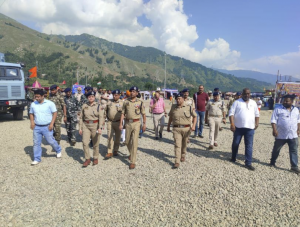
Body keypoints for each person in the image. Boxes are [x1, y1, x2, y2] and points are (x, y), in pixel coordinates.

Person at [229, 88, 260, 171]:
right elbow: (231, 114)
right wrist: (232, 124)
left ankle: (248, 163)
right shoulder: (237, 102)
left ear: (250, 94)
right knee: (235, 143)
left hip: (250, 128)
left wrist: (257, 123)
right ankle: (233, 157)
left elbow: (257, 114)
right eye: (245, 93)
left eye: (248, 94)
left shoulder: (253, 103)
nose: (247, 95)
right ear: (242, 94)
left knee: (249, 145)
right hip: (238, 128)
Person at [29, 89, 62, 165]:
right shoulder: (33, 104)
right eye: (35, 96)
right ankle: (37, 158)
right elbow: (31, 113)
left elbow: (55, 113)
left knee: (50, 141)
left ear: (43, 96)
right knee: (36, 143)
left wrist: (51, 124)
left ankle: (58, 150)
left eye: (38, 97)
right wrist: (32, 122)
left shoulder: (50, 103)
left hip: (47, 126)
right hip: (37, 127)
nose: (37, 98)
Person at [269, 95, 300, 174]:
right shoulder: (278, 109)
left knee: (294, 150)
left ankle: (294, 166)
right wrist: (274, 130)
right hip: (281, 134)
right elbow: (273, 120)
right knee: (276, 149)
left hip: (293, 134)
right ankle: (272, 162)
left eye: (287, 101)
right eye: (284, 101)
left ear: (291, 102)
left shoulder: (296, 110)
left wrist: (298, 129)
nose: (285, 102)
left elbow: (298, 121)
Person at [119, 86, 146, 170]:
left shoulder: (140, 102)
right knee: (126, 141)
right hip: (128, 123)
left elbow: (143, 114)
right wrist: (121, 123)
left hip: (137, 123)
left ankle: (132, 162)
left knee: (134, 142)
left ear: (137, 93)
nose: (132, 93)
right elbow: (123, 113)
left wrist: (144, 124)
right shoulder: (126, 102)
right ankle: (132, 153)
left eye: (134, 91)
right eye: (131, 91)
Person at [167, 93, 197, 169]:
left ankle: (183, 155)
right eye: (177, 99)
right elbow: (171, 117)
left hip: (186, 129)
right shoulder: (173, 107)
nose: (178, 100)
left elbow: (195, 116)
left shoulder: (188, 107)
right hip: (176, 129)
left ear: (183, 99)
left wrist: (193, 126)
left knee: (184, 144)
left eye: (179, 98)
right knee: (177, 145)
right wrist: (168, 126)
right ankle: (177, 161)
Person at [79, 91, 105, 167]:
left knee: (95, 143)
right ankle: (87, 159)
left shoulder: (98, 106)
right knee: (85, 143)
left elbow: (101, 117)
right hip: (86, 125)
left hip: (95, 125)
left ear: (94, 97)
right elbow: (81, 117)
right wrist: (80, 128)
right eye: (89, 97)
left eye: (92, 96)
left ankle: (95, 157)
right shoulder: (84, 105)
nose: (91, 98)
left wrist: (100, 128)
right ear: (87, 98)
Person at [104, 89, 124, 159]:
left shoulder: (122, 103)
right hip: (110, 122)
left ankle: (116, 150)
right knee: (110, 137)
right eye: (114, 95)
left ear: (119, 95)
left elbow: (124, 113)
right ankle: (109, 151)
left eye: (117, 95)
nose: (115, 96)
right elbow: (105, 111)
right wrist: (104, 120)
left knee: (118, 137)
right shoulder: (109, 102)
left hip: (118, 122)